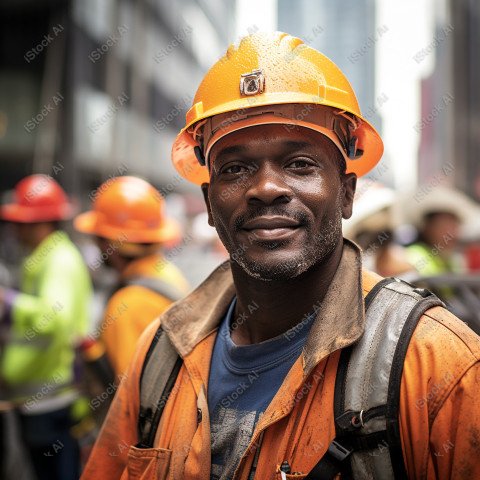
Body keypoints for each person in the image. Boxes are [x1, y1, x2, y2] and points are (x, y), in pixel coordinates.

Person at [82, 32, 480, 479]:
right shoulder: (161, 353)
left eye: (299, 164)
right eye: (235, 168)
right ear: (210, 202)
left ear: (346, 193)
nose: (266, 188)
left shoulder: (438, 364)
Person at [0, 174, 93, 480]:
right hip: (39, 400)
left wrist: (8, 304)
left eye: (21, 221)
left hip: (51, 401)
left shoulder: (58, 260)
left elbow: (55, 319)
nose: (14, 228)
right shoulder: (44, 257)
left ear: (39, 222)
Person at [74, 176, 190, 377]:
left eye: (97, 238)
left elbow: (129, 397)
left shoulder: (127, 303)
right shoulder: (167, 273)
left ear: (109, 243)